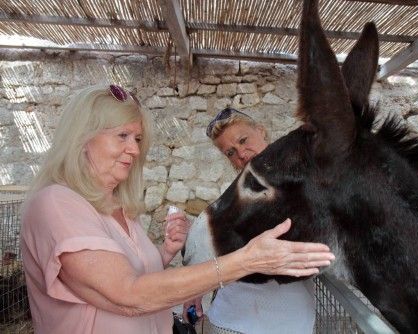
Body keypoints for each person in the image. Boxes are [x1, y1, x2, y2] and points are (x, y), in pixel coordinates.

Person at [20, 85, 335, 334]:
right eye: (122, 136)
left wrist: (166, 252)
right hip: (241, 321)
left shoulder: (119, 211)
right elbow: (128, 294)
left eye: (138, 138)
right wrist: (246, 261)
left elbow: (136, 271)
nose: (134, 149)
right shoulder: (57, 203)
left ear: (263, 132)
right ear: (82, 138)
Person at [182, 108, 319, 334]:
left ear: (261, 131)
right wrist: (196, 290)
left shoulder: (304, 182)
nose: (241, 154)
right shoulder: (236, 198)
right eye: (230, 153)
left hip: (289, 323)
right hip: (231, 322)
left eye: (243, 140)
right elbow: (218, 251)